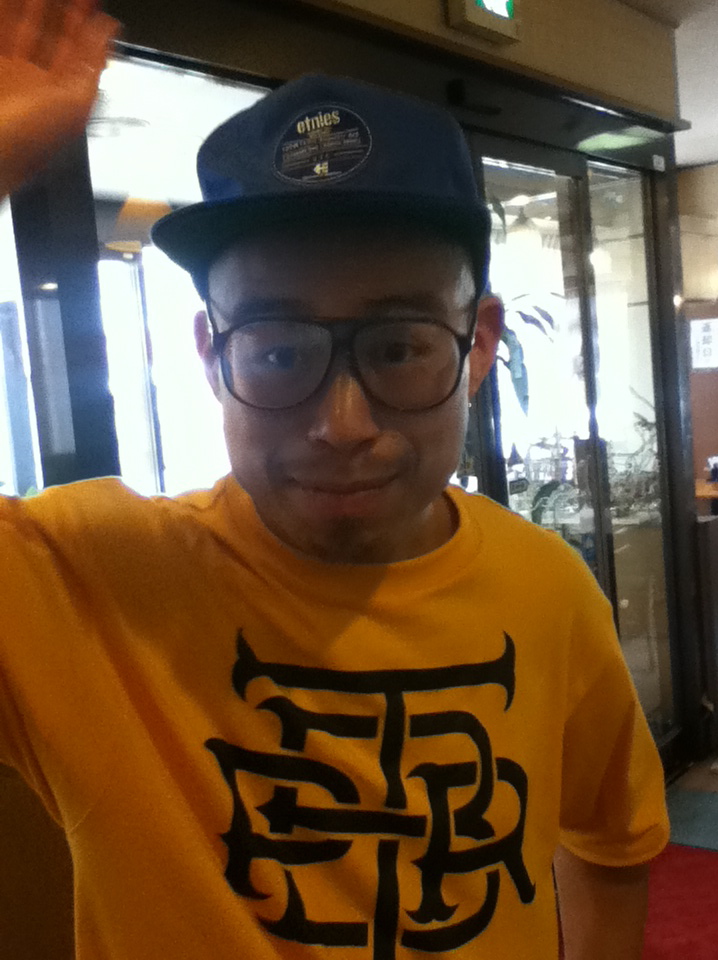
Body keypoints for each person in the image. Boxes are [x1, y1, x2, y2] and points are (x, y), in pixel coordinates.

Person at [0, 1, 669, 958]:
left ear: (478, 345)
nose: (343, 425)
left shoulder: (550, 590)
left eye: (398, 347)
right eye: (278, 351)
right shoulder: (79, 587)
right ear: (212, 355)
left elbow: (611, 842)